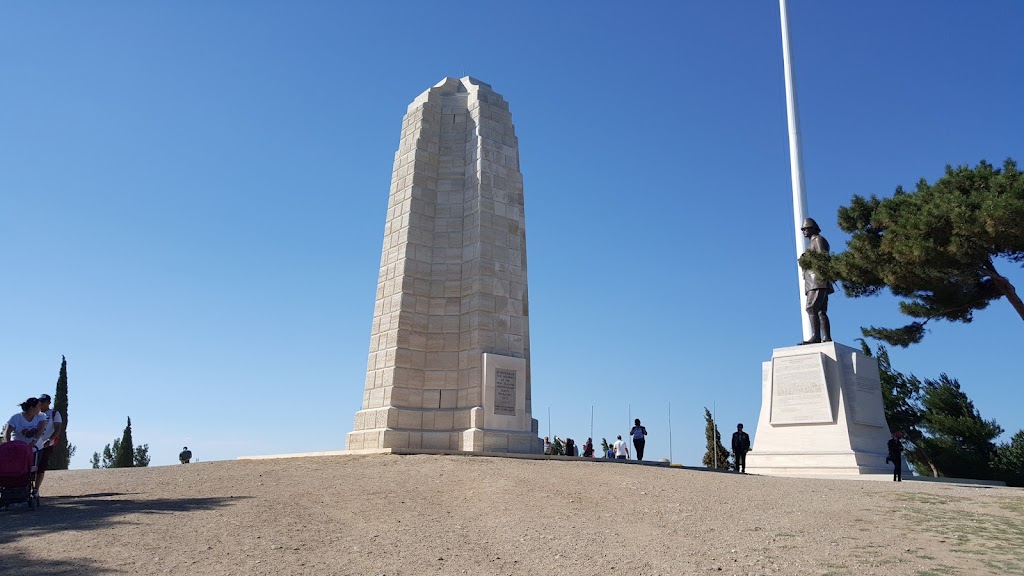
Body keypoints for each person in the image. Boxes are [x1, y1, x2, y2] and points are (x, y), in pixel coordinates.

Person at [798, 217, 834, 345]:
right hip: (813, 281)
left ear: (813, 229)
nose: (804, 231)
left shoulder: (818, 240)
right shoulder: (812, 243)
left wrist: (807, 259)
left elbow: (823, 257)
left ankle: (816, 336)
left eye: (806, 229)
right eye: (803, 230)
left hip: (816, 281)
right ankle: (825, 337)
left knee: (811, 307)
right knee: (820, 310)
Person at [34, 394, 63, 493]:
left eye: (43, 402)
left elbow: (57, 429)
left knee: (41, 467)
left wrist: (50, 440)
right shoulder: (35, 413)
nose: (41, 403)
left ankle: (36, 489)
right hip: (33, 444)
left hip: (46, 445)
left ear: (49, 403)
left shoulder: (54, 414)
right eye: (40, 401)